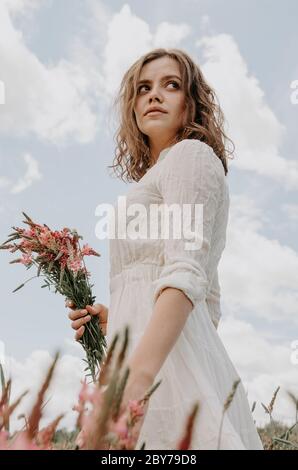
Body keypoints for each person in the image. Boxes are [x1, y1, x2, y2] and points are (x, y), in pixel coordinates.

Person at [67, 48, 264, 450]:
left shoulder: (190, 156)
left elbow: (187, 276)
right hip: (152, 363)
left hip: (158, 378)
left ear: (192, 102)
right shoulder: (159, 175)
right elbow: (204, 299)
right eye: (143, 88)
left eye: (170, 85)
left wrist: (130, 393)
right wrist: (115, 319)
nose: (154, 95)